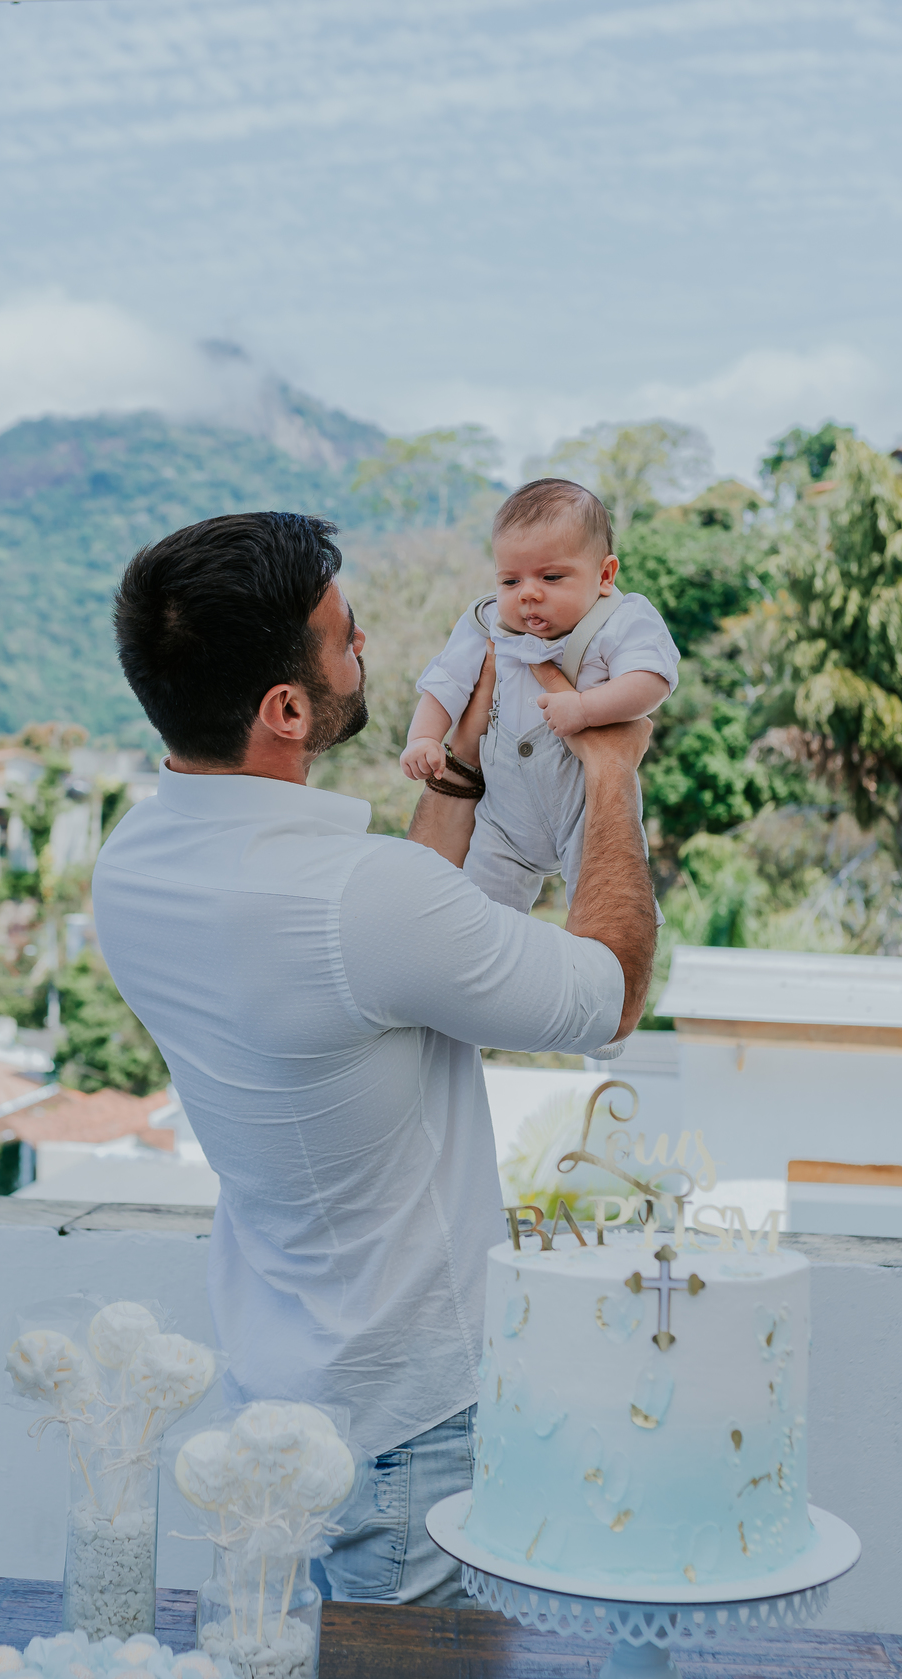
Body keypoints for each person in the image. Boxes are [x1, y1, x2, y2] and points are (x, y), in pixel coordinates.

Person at [91, 510, 656, 1606]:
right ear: (287, 709)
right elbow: (610, 993)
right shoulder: (360, 901)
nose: (366, 645)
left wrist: (457, 774)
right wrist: (610, 773)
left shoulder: (135, 863)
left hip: (276, 1398)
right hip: (411, 1437)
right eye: (345, 634)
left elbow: (378, 944)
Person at [402, 477, 679, 914]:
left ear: (605, 575)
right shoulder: (487, 624)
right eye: (510, 580)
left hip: (583, 801)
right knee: (482, 912)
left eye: (551, 577)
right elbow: (446, 682)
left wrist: (585, 708)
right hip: (503, 813)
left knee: (605, 897)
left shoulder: (621, 620)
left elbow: (650, 681)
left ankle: (609, 948)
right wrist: (423, 737)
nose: (528, 593)